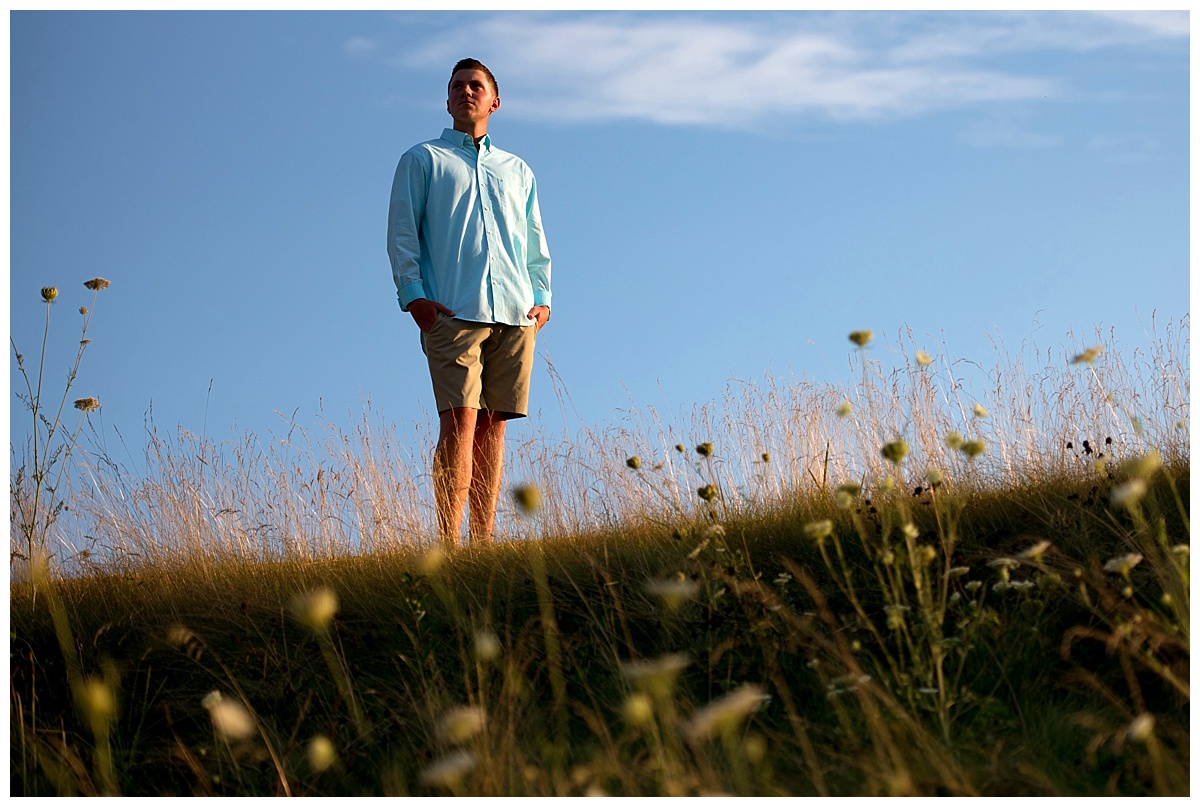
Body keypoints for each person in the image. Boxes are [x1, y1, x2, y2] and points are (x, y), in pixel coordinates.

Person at [388, 58, 552, 548]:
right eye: (457, 86)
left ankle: (483, 542)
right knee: (460, 421)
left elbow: (534, 241)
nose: (466, 92)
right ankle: (449, 543)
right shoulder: (422, 159)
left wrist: (541, 298)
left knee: (493, 426)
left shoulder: (517, 169)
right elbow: (402, 234)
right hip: (452, 311)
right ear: (447, 100)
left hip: (515, 312)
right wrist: (413, 296)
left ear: (494, 101)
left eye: (475, 86)